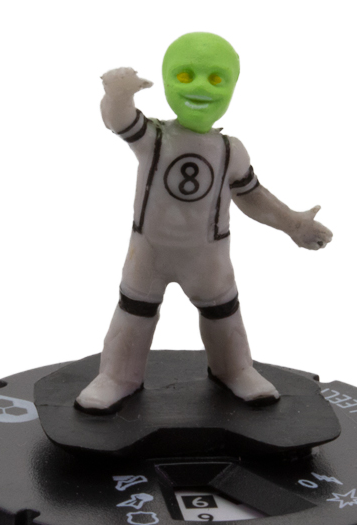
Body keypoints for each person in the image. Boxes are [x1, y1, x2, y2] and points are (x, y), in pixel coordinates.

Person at [76, 32, 332, 414]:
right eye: (185, 75)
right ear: (166, 81)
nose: (199, 88)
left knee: (222, 311)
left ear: (232, 87)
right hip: (149, 250)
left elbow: (252, 196)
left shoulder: (230, 151)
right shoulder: (154, 138)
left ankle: (235, 369)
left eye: (215, 79)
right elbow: (119, 121)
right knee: (134, 310)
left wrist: (293, 224)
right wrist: (118, 94)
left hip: (208, 254)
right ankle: (117, 376)